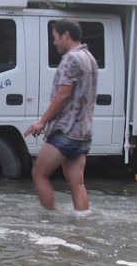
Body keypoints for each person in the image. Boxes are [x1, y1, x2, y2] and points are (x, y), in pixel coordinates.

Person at [24, 19, 98, 211]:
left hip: (65, 130)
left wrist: (42, 122)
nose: (55, 42)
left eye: (55, 37)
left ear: (66, 35)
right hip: (83, 134)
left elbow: (63, 94)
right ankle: (81, 223)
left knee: (39, 174)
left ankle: (48, 222)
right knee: (77, 183)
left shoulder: (70, 59)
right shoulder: (89, 57)